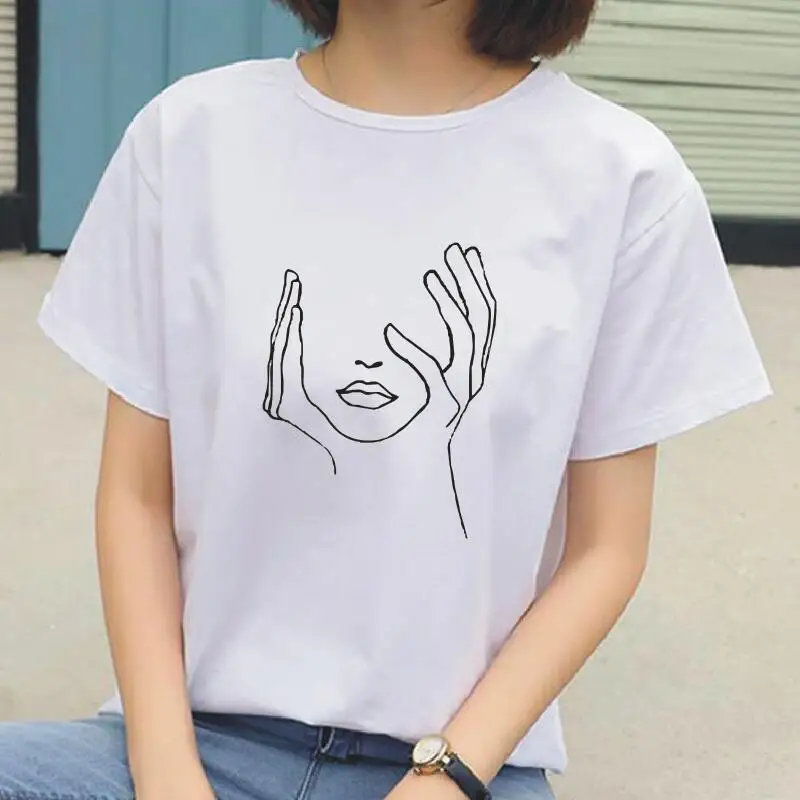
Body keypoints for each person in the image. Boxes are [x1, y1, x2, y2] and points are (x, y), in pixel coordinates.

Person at [0, 0, 772, 798]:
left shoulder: (624, 179)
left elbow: (606, 551)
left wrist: (444, 777)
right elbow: (136, 497)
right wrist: (167, 772)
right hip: (197, 742)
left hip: (454, 764)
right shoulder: (186, 138)